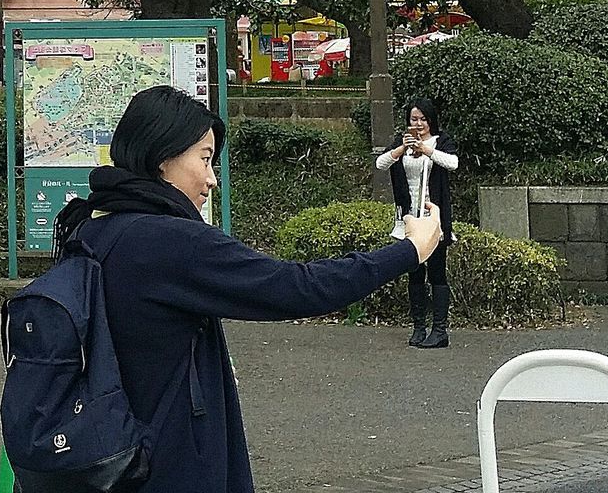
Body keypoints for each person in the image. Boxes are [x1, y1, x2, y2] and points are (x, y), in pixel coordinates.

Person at [50, 85, 442, 493]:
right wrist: (409, 250)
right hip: (166, 463)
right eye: (204, 159)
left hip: (101, 459)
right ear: (163, 158)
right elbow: (297, 287)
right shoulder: (170, 241)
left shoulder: (89, 228)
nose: (211, 179)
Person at [376, 97, 458, 348]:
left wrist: (427, 150)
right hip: (409, 219)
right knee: (414, 273)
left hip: (433, 218)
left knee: (437, 273)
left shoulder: (441, 142)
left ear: (431, 120)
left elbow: (453, 163)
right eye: (414, 119)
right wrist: (401, 149)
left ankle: (440, 330)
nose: (419, 124)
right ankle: (419, 327)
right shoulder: (402, 142)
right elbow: (381, 164)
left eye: (423, 119)